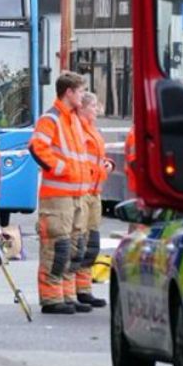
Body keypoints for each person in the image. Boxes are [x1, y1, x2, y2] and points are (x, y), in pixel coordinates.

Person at [28, 72, 90, 315]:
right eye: (81, 91)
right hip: (58, 196)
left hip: (76, 194)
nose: (83, 96)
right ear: (69, 92)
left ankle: (67, 294)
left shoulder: (73, 119)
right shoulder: (51, 119)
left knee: (74, 248)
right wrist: (62, 168)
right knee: (57, 247)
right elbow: (37, 147)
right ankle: (52, 298)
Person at [75, 91, 110, 309]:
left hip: (94, 192)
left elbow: (97, 158)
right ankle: (79, 290)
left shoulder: (91, 130)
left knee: (91, 245)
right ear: (83, 108)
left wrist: (107, 165)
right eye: (93, 106)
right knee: (80, 244)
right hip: (84, 191)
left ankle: (84, 288)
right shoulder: (78, 130)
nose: (96, 110)